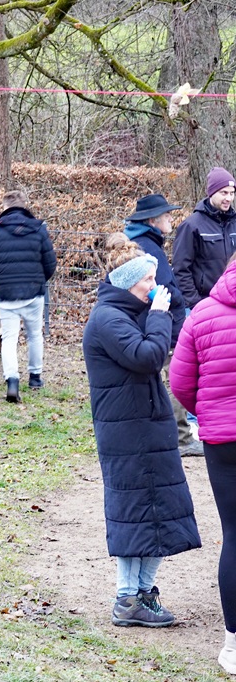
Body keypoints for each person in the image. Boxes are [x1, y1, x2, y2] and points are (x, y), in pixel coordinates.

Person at [82, 234, 200, 628]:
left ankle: (144, 593)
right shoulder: (108, 319)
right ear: (129, 280)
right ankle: (125, 599)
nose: (155, 286)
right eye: (148, 280)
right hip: (128, 432)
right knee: (134, 515)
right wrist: (160, 315)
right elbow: (148, 356)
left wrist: (158, 316)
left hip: (146, 427)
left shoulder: (126, 313)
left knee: (159, 512)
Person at [170, 255, 236, 672]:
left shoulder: (203, 313)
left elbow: (180, 381)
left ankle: (233, 644)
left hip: (222, 441)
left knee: (233, 534)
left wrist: (208, 415)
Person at [123, 193, 203, 456]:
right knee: (175, 376)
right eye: (166, 214)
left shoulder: (137, 242)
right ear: (152, 220)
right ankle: (181, 437)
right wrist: (179, 301)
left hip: (150, 320)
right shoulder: (149, 247)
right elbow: (164, 286)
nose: (171, 217)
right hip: (163, 321)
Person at [0, 190, 57, 403]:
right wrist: (39, 280)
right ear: (25, 205)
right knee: (34, 335)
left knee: (9, 338)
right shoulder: (39, 230)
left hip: (6, 294)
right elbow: (50, 264)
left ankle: (12, 380)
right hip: (33, 292)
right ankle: (35, 377)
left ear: (4, 207)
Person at [172, 166, 236, 310]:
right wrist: (195, 304)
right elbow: (181, 269)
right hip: (205, 303)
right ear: (211, 193)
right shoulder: (191, 226)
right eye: (223, 193)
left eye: (232, 193)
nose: (228, 198)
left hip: (232, 303)